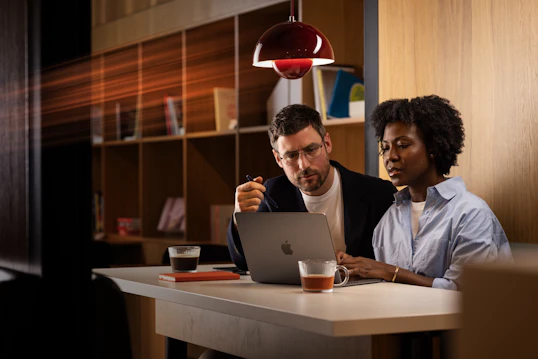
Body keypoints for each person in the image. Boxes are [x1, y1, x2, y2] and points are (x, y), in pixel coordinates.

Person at [337, 95, 512, 290]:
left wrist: (390, 272)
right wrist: (354, 269)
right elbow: (386, 289)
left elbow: (465, 292)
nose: (390, 157)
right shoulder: (388, 220)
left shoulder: (471, 214)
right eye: (385, 148)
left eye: (402, 145)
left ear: (433, 148)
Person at [227, 104, 397, 271]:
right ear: (278, 159)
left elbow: (397, 263)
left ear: (327, 143)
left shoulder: (379, 194)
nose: (303, 165)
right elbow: (245, 263)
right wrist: (239, 218)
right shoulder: (272, 194)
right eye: (291, 156)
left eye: (311, 150)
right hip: (293, 296)